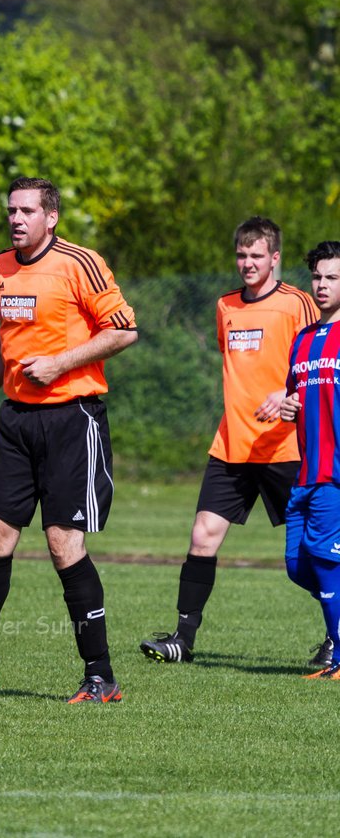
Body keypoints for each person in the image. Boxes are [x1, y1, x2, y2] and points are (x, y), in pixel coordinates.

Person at [0, 176, 138, 705]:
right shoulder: (1, 266)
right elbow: (8, 342)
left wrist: (61, 363)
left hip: (73, 420)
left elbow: (124, 330)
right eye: (11, 210)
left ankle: (101, 675)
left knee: (63, 544)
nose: (16, 219)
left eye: (27, 210)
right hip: (15, 421)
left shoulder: (80, 262)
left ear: (51, 217)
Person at [140, 217, 320, 664]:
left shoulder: (298, 304)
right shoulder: (225, 307)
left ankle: (336, 635)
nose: (248, 263)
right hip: (233, 446)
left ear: (275, 258)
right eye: (241, 255)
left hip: (287, 446)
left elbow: (324, 361)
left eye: (257, 255)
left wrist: (290, 392)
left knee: (310, 550)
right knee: (202, 536)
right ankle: (183, 639)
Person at [281, 240, 340, 680]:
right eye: (317, 276)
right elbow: (295, 394)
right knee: (298, 565)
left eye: (332, 278)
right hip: (305, 472)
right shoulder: (302, 339)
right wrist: (287, 406)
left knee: (322, 556)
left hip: (335, 474)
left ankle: (338, 656)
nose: (321, 285)